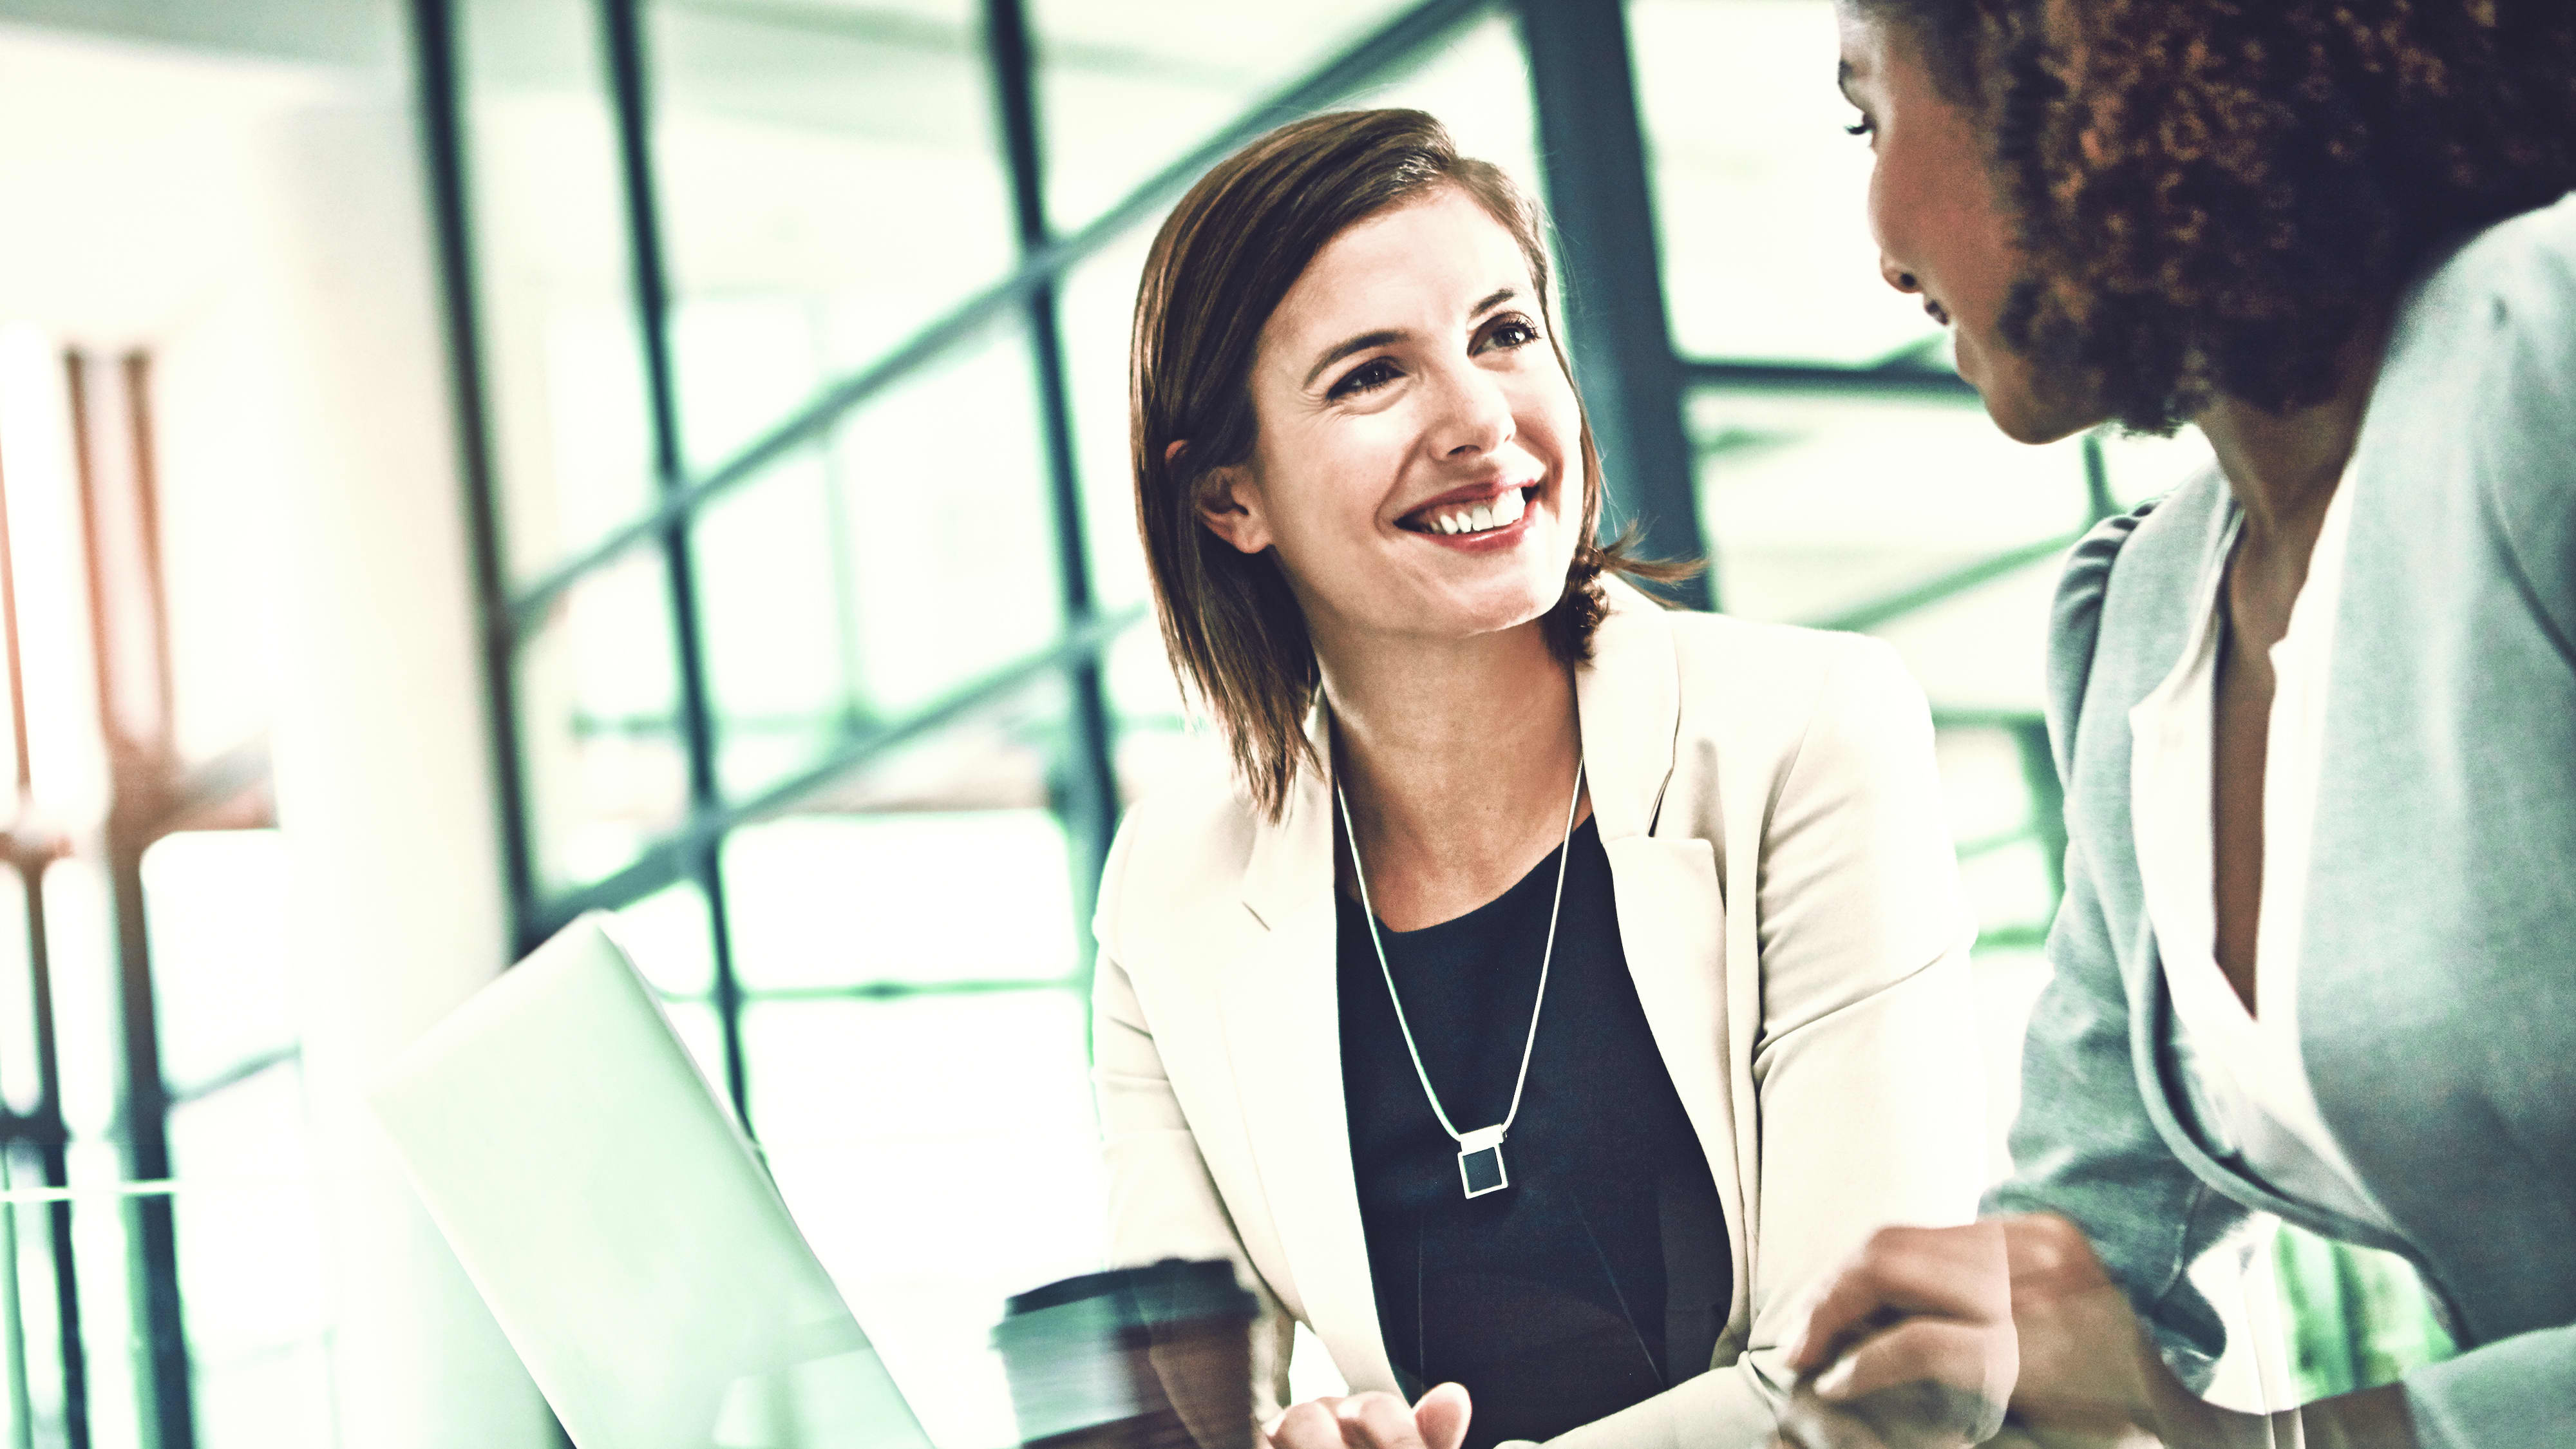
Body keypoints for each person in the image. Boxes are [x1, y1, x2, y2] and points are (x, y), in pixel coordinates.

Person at [1090, 108, 1987, 1449]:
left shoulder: (1804, 732)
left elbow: (1898, 1381)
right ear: (1229, 500)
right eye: (1369, 377)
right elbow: (1179, 1420)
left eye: (1503, 334)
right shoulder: (1171, 893)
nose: (1475, 419)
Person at [1779, 2, 2576, 1446]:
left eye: (1867, 119)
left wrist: (2263, 1440)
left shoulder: (2543, 347)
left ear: (2061, 76)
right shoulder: (2149, 610)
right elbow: (2070, 1277)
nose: (1882, 249)